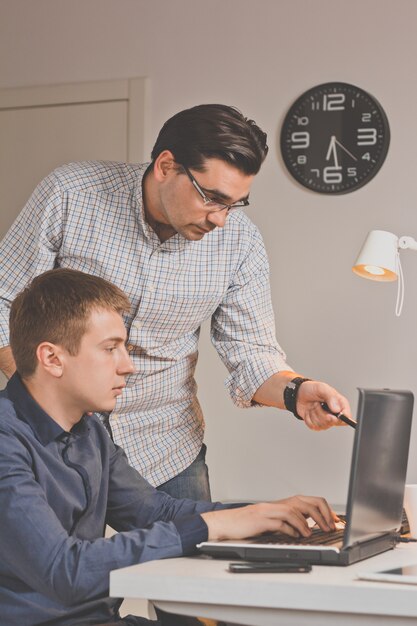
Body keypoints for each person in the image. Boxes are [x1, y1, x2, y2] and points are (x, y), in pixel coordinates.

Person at [0, 104, 352, 501]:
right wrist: (46, 397)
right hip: (53, 435)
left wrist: (297, 392)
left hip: (166, 445)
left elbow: (251, 353)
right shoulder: (71, 195)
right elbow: (3, 303)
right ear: (166, 165)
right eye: (212, 198)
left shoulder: (240, 243)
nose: (220, 219)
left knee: (192, 558)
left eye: (235, 204)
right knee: (59, 561)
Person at [0, 268, 338, 626]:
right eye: (110, 349)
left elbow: (155, 512)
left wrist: (265, 514)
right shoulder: (6, 442)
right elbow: (66, 571)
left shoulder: (89, 433)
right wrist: (214, 526)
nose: (128, 366)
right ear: (52, 358)